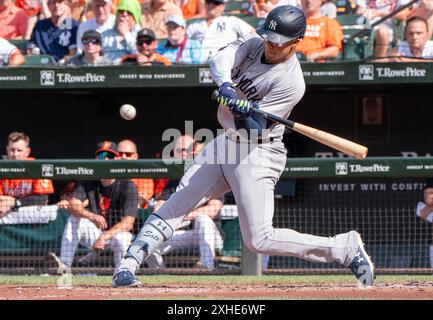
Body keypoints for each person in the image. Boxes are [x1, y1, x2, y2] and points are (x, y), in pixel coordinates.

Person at [112, 5, 375, 288]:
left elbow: (254, 130)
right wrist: (226, 87)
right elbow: (219, 59)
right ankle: (128, 265)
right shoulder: (254, 42)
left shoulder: (291, 82)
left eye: (278, 43)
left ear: (295, 42)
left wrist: (242, 112)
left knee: (259, 238)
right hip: (225, 143)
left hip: (259, 152)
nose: (270, 46)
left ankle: (345, 248)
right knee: (179, 201)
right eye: (268, 39)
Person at [48, 141, 138, 270]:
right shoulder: (89, 181)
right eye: (101, 156)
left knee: (121, 239)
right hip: (95, 232)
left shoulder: (127, 184)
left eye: (110, 156)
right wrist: (92, 216)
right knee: (75, 219)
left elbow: (128, 223)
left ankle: (123, 273)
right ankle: (64, 267)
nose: (105, 159)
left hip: (117, 235)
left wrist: (104, 236)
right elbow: (73, 205)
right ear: (96, 160)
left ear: (117, 159)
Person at [146, 135, 224, 270]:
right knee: (150, 242)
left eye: (186, 149)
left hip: (210, 236)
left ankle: (206, 267)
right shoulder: (174, 180)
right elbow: (159, 206)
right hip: (184, 234)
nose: (183, 154)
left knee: (203, 220)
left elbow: (214, 209)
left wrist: (182, 215)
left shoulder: (211, 174)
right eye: (178, 151)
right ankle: (160, 275)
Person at [0, 132, 54, 220]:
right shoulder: (2, 168)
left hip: (31, 213)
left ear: (27, 152)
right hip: (6, 210)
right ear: (7, 150)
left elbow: (43, 198)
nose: (15, 154)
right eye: (12, 150)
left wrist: (14, 202)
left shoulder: (37, 167)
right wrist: (7, 200)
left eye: (19, 150)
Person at [186, 0, 254, 61]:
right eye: (209, 2)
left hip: (224, 61)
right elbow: (182, 41)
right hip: (197, 62)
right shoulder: (195, 25)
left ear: (223, 6)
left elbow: (252, 33)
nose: (211, 5)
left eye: (216, 3)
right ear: (205, 4)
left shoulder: (230, 20)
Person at [117, 139, 155, 208]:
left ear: (135, 157)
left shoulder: (143, 175)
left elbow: (141, 199)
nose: (123, 157)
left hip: (138, 215)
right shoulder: (108, 174)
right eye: (120, 153)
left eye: (128, 154)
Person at [416, 181, 433, 268]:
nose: (429, 196)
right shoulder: (420, 205)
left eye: (431, 193)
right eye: (426, 193)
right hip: (428, 243)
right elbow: (422, 215)